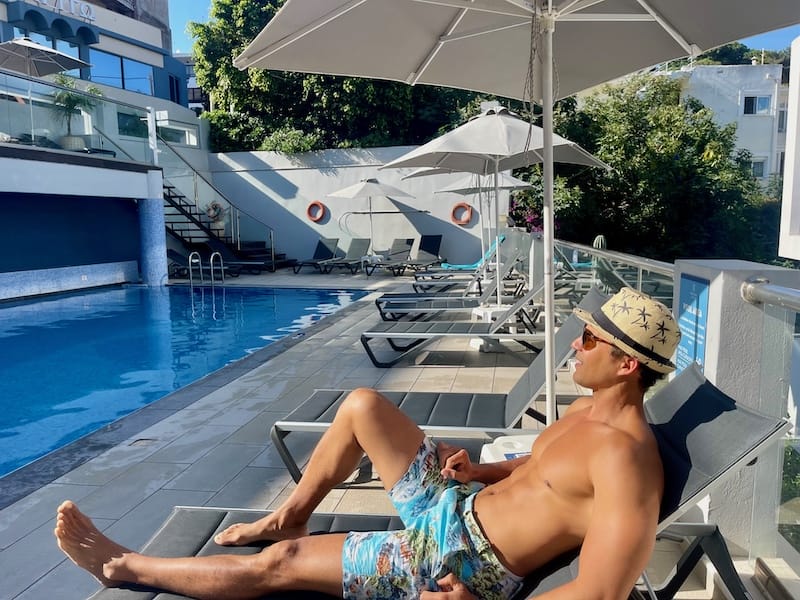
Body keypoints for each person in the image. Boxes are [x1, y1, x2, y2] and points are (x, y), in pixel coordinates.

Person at [55, 287, 680, 600]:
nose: (575, 344)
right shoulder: (583, 413)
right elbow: (541, 469)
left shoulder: (627, 460)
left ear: (628, 366)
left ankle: (122, 567)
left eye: (591, 340)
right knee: (362, 406)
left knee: (284, 565)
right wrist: (482, 473)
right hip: (456, 503)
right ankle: (289, 512)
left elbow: (601, 593)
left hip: (456, 559)